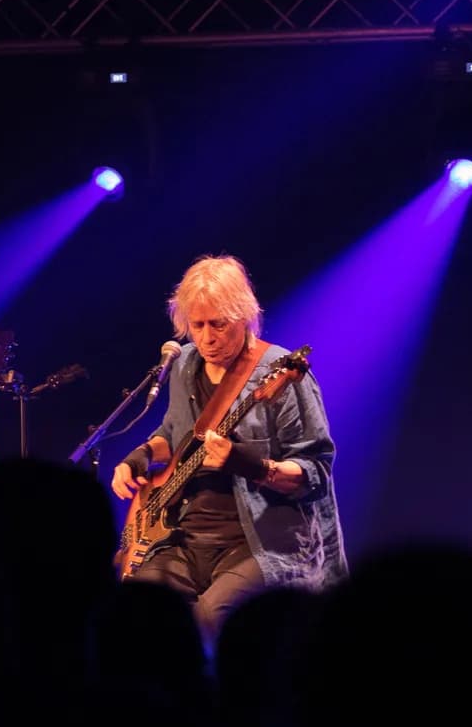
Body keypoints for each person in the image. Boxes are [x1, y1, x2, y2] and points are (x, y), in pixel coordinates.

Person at [111, 255, 346, 637]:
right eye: (196, 325)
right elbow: (172, 434)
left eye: (218, 324)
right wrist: (138, 459)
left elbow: (315, 473)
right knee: (136, 614)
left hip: (262, 543)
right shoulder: (184, 363)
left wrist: (251, 465)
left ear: (245, 317)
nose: (206, 337)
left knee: (210, 618)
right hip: (184, 537)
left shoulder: (283, 374)